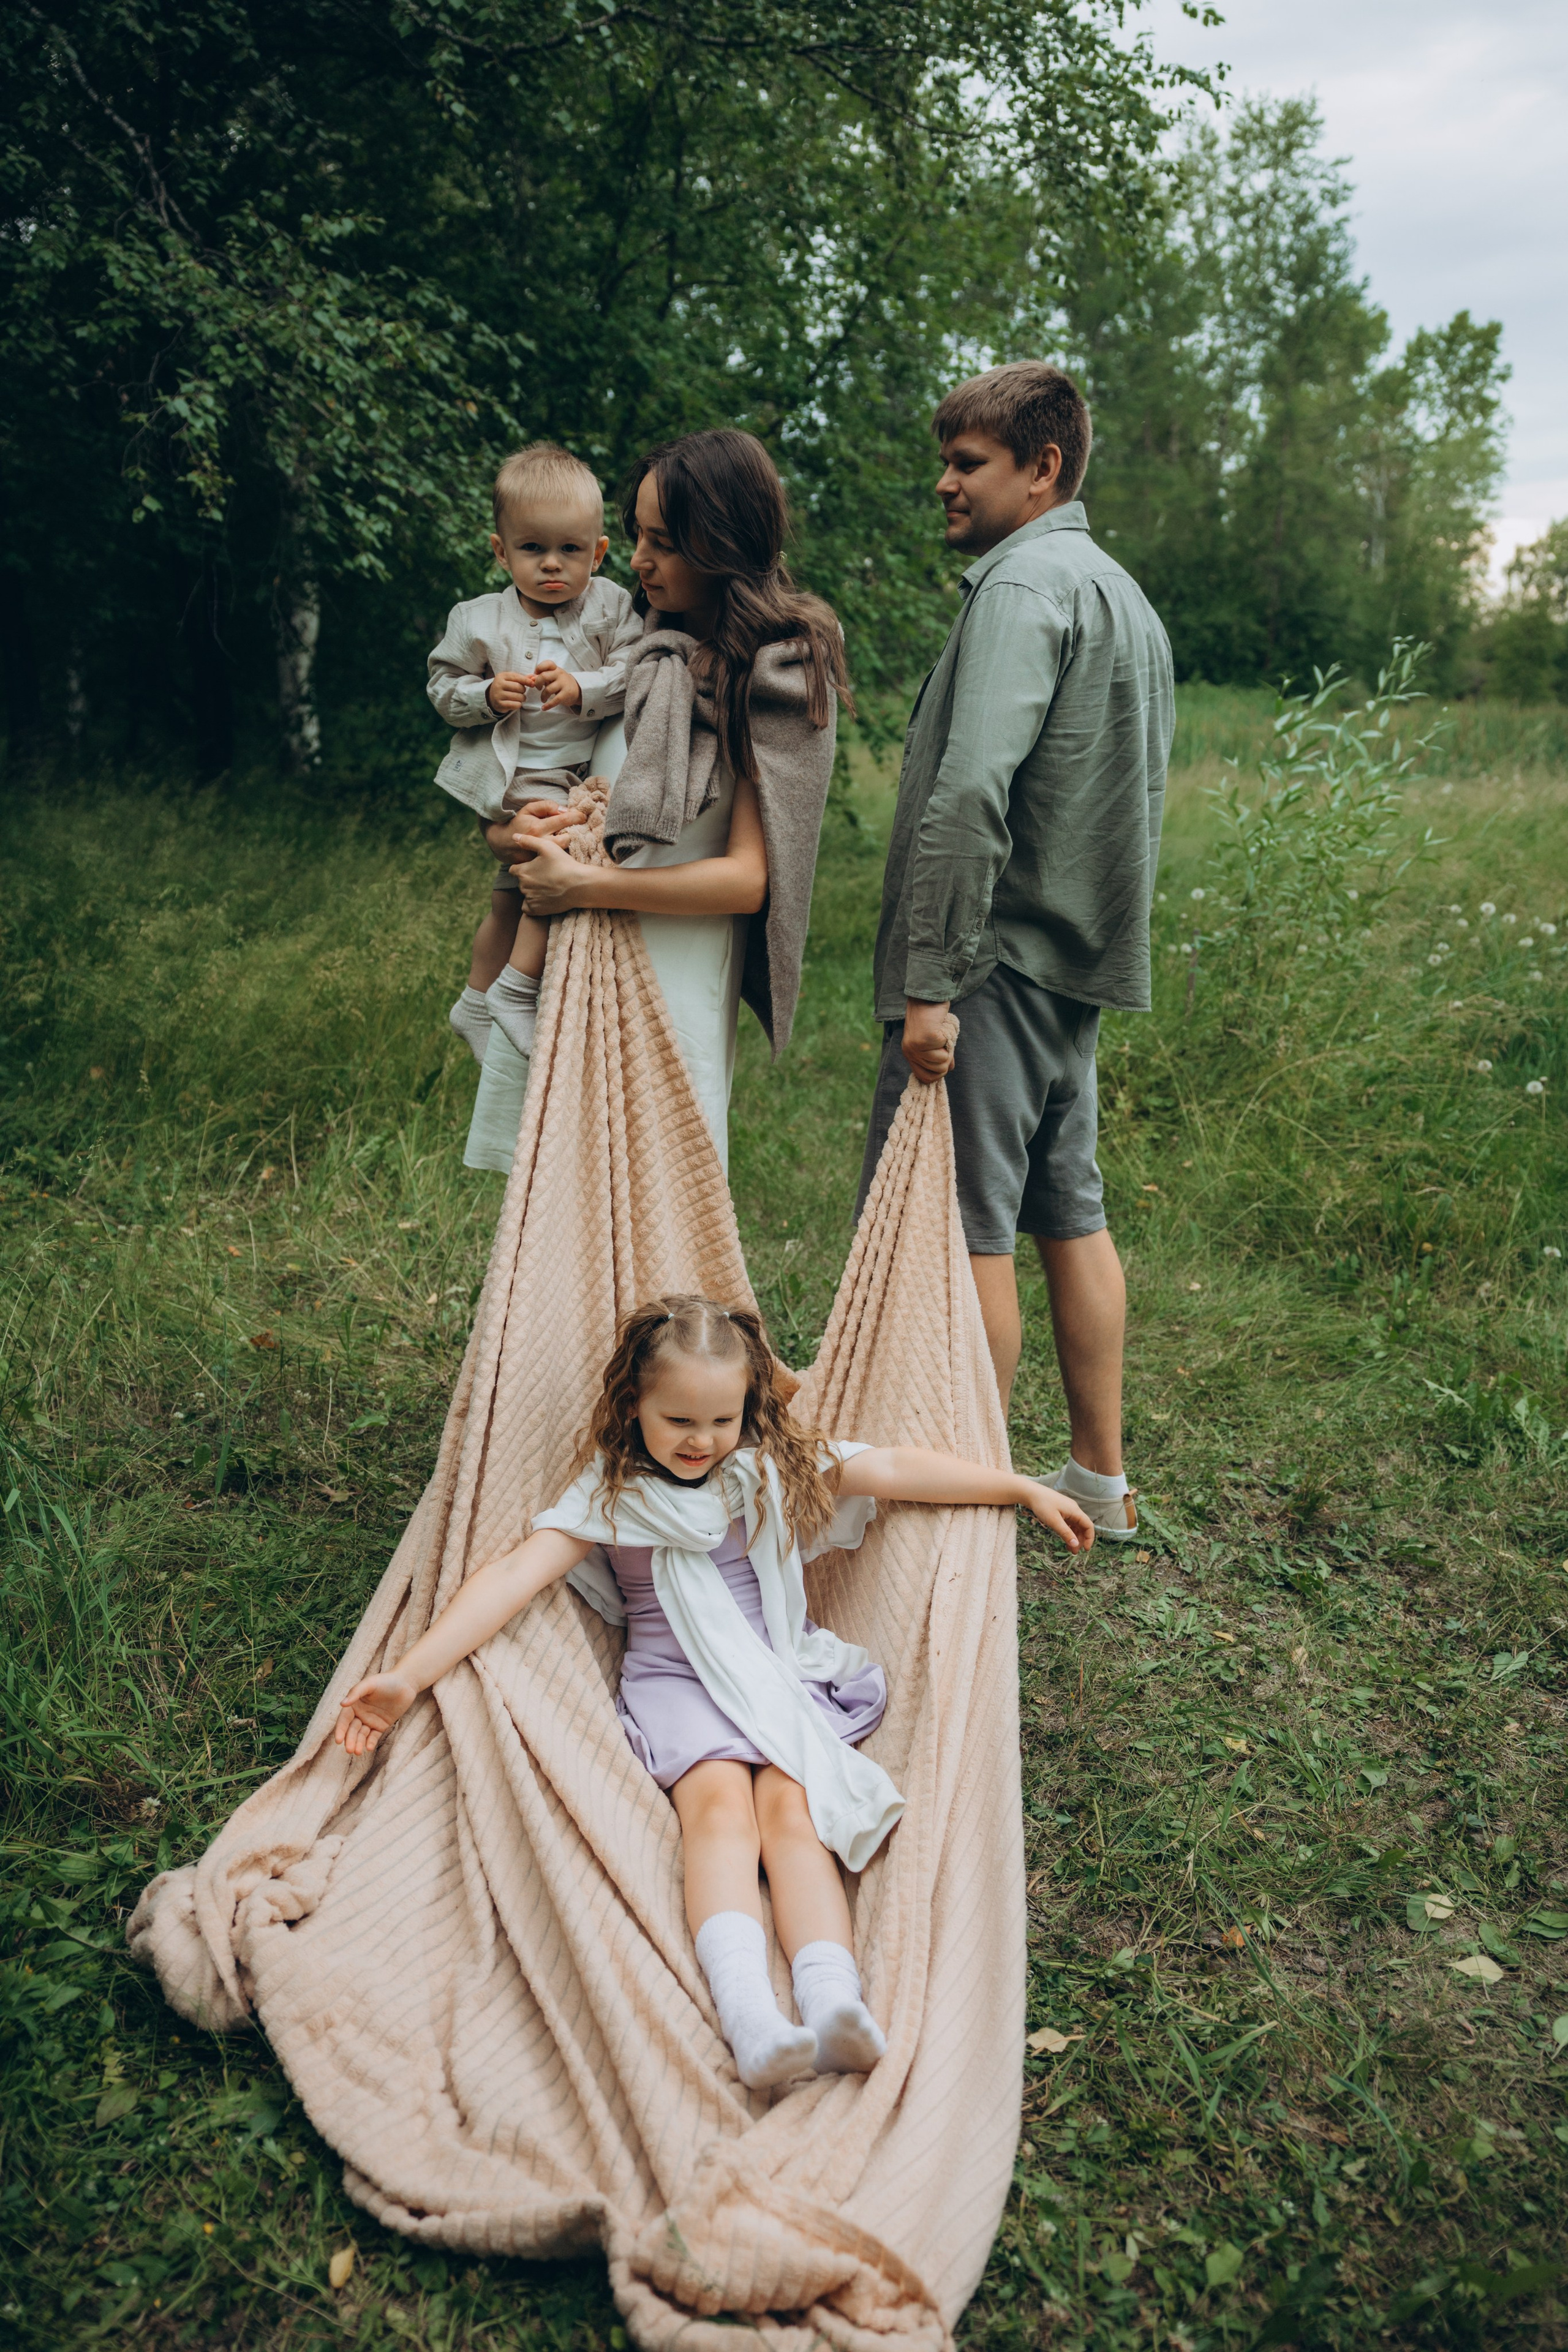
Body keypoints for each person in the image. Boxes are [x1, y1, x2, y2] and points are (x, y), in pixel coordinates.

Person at [334, 1294, 1095, 2092]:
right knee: (722, 1815)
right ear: (633, 1406)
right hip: (677, 1690)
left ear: (749, 1409)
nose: (702, 1442)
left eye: (721, 1422)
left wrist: (1019, 1488)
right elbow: (514, 1574)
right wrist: (409, 1675)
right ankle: (750, 2019)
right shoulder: (613, 1494)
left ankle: (833, 2003)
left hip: (776, 1678)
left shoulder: (766, 1470)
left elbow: (895, 1467)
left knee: (794, 1820)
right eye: (679, 1422)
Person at [858, 361, 1174, 1541]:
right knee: (1069, 1214)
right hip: (1074, 966)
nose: (944, 482)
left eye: (967, 463)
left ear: (1043, 469)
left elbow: (970, 794)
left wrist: (930, 981)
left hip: (992, 964)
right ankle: (1101, 1480)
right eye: (948, 458)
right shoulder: (1124, 596)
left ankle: (970, 1506)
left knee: (962, 1229)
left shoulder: (1020, 588)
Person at [462, 429, 847, 1177]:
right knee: (563, 1213)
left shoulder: (778, 674)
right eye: (638, 534)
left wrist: (589, 885)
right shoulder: (635, 652)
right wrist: (516, 836)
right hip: (578, 971)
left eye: (663, 541)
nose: (637, 560)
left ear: (721, 543)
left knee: (657, 1202)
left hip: (674, 980)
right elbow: (571, 786)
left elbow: (749, 880)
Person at [427, 442, 643, 1065]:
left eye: (571, 550)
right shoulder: (478, 619)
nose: (553, 566)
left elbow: (633, 667)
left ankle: (475, 1000)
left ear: (599, 552)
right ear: (500, 550)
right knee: (554, 869)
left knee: (511, 892)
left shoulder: (611, 606)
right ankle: (517, 992)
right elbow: (442, 689)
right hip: (511, 773)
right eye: (532, 549)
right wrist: (486, 694)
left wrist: (584, 688)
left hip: (574, 772)